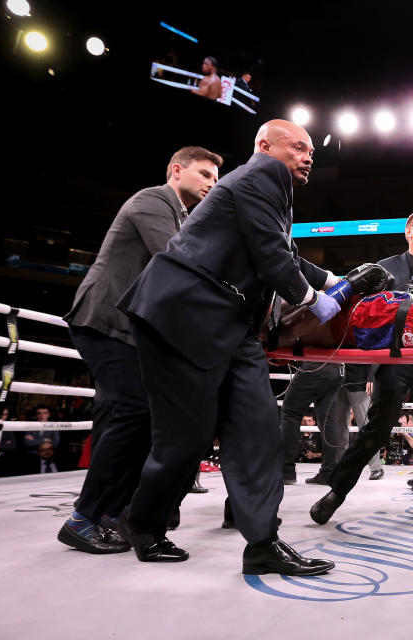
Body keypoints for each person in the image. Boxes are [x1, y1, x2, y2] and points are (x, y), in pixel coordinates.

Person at [116, 119, 342, 576]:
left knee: (259, 427)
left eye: (311, 151)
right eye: (297, 147)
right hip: (185, 312)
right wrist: (313, 301)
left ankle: (262, 542)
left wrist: (337, 282)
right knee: (186, 436)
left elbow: (286, 252)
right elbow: (271, 254)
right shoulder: (261, 174)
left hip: (231, 323)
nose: (307, 156)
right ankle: (143, 525)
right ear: (264, 146)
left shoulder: (269, 188)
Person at [57, 146, 222, 555]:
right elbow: (176, 262)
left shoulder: (182, 215)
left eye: (216, 178)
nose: (211, 184)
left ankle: (110, 512)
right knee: (133, 410)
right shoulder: (153, 200)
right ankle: (84, 519)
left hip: (129, 331)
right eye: (203, 174)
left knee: (143, 415)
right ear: (176, 170)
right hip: (104, 321)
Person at [308, 208, 413, 522]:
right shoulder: (383, 268)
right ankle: (335, 493)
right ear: (408, 231)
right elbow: (362, 320)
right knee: (376, 430)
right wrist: (364, 373)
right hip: (391, 359)